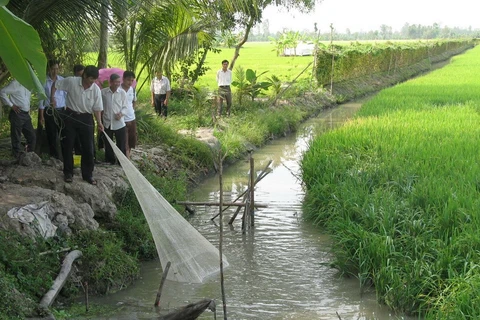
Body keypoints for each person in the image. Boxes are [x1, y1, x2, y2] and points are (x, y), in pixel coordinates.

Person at [51, 65, 103, 185]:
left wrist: (99, 123)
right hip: (70, 116)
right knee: (68, 145)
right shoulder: (71, 81)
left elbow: (97, 109)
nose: (92, 83)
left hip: (86, 119)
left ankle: (88, 174)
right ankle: (68, 173)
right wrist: (52, 97)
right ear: (84, 75)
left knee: (88, 148)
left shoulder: (96, 89)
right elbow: (55, 85)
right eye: (90, 79)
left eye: (94, 80)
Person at [0, 79, 36, 160]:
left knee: (32, 136)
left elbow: (27, 99)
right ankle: (17, 159)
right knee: (16, 137)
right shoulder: (15, 83)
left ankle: (29, 156)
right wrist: (11, 105)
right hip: (17, 113)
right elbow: (2, 92)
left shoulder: (29, 83)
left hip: (26, 114)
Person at [39, 59, 67, 159]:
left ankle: (65, 156)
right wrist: (41, 115)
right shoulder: (44, 81)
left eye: (56, 69)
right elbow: (41, 99)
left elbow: (66, 95)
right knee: (51, 134)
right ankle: (54, 156)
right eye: (52, 69)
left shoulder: (62, 80)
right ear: (48, 69)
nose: (55, 71)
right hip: (49, 111)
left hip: (61, 111)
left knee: (64, 133)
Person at [101, 73, 127, 164]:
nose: (117, 84)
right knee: (108, 143)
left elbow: (125, 107)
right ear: (110, 82)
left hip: (119, 123)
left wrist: (121, 114)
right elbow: (99, 106)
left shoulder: (122, 93)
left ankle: (122, 162)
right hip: (107, 122)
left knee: (121, 144)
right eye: (115, 82)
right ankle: (110, 160)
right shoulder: (103, 92)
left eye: (119, 82)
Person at [121, 71, 137, 159]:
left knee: (132, 139)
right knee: (124, 140)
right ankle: (126, 158)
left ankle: (128, 155)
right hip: (122, 119)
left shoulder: (133, 90)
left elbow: (134, 101)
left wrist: (132, 110)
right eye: (128, 80)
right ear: (123, 79)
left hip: (132, 118)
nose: (130, 82)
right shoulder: (118, 90)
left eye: (132, 80)